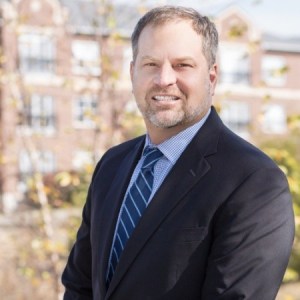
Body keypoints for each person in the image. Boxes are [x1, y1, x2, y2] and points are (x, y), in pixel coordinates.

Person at [62, 5, 295, 300]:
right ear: (132, 73)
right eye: (150, 64)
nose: (164, 79)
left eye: (182, 65)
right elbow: (79, 286)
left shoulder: (255, 182)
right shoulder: (111, 165)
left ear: (211, 77)